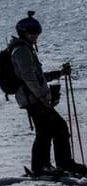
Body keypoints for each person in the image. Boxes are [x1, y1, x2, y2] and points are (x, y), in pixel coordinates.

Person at [8, 12, 87, 175]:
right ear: (23, 32)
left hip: (33, 98)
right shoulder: (21, 50)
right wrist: (42, 96)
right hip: (33, 99)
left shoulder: (25, 49)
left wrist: (58, 74)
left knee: (49, 131)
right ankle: (55, 165)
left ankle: (48, 165)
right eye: (32, 31)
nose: (35, 35)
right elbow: (28, 77)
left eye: (37, 31)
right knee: (56, 129)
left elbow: (37, 76)